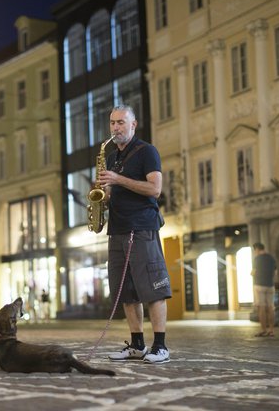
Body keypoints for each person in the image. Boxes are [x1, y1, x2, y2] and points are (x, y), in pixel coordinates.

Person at [98, 105, 172, 364]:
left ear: (133, 124)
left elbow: (155, 189)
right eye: (112, 123)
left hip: (141, 227)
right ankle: (137, 344)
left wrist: (118, 180)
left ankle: (160, 346)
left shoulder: (146, 152)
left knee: (153, 288)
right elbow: (111, 193)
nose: (115, 128)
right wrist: (103, 198)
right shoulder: (110, 157)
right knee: (126, 291)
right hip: (117, 229)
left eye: (121, 122)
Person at [251, 242, 277, 337]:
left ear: (257, 249)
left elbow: (253, 272)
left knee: (261, 307)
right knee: (270, 307)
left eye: (255, 251)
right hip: (270, 286)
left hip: (259, 285)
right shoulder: (271, 258)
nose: (255, 253)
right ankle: (271, 330)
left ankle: (263, 330)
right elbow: (275, 272)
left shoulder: (257, 259)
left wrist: (252, 274)